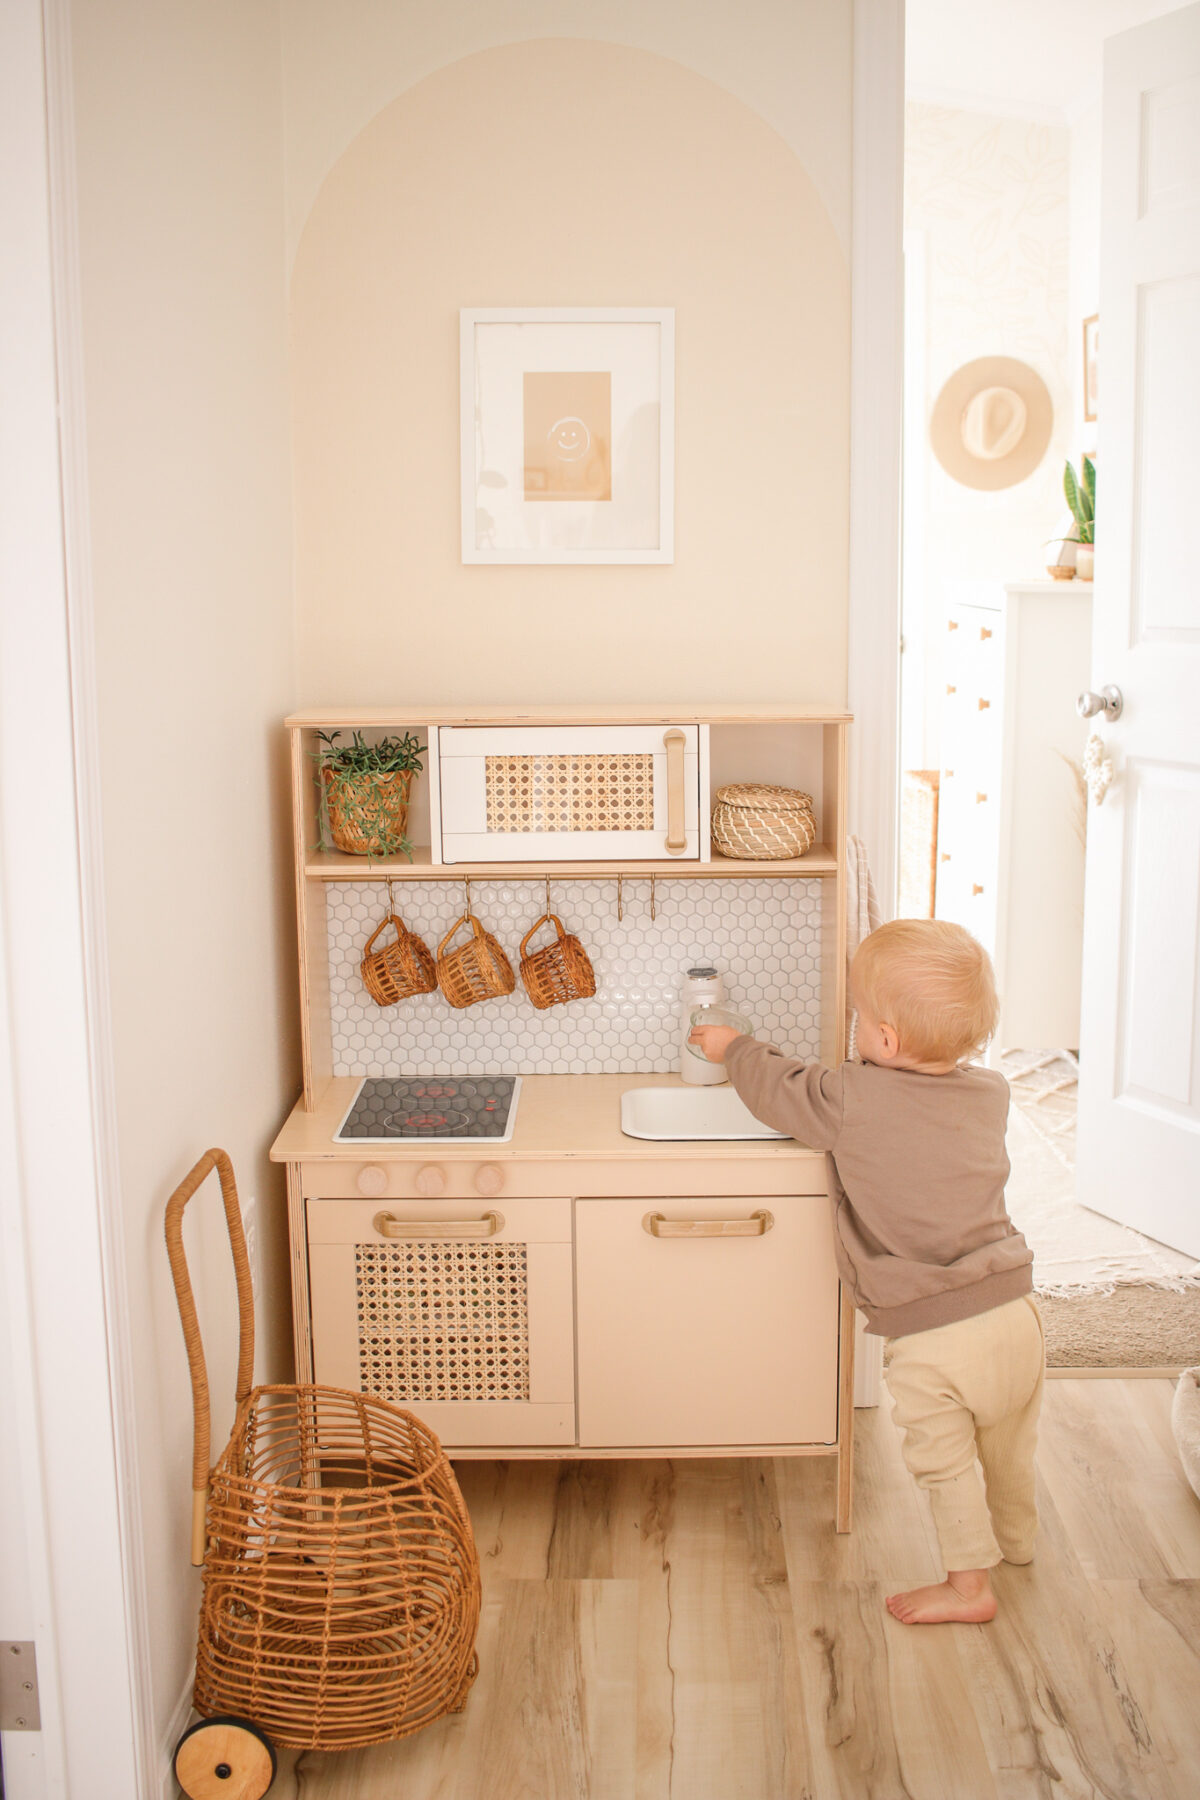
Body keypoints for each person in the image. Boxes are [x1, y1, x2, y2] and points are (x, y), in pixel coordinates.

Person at [688, 918, 1042, 1625]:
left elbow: (780, 1088)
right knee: (1008, 1444)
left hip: (936, 1332)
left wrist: (733, 1046)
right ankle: (1020, 1542)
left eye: (858, 1016)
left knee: (944, 1465)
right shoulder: (992, 1094)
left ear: (885, 1041)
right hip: (1016, 1312)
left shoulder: (850, 1098)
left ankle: (970, 1587)